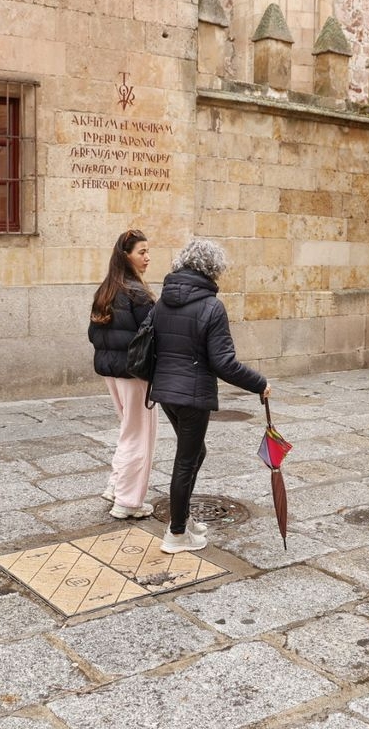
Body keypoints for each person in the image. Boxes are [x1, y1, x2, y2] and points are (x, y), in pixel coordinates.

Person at [150, 238, 270, 553]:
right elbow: (224, 363)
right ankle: (176, 534)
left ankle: (183, 517)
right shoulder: (212, 306)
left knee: (196, 453)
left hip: (166, 393)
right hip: (192, 396)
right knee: (186, 460)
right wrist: (259, 383)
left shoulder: (162, 302)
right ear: (213, 268)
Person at [88, 229, 158, 519]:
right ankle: (128, 502)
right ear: (126, 255)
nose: (147, 257)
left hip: (112, 372)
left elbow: (94, 334)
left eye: (147, 251)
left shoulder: (105, 290)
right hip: (134, 372)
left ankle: (116, 486)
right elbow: (153, 336)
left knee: (129, 430)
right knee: (140, 435)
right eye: (142, 252)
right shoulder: (137, 294)